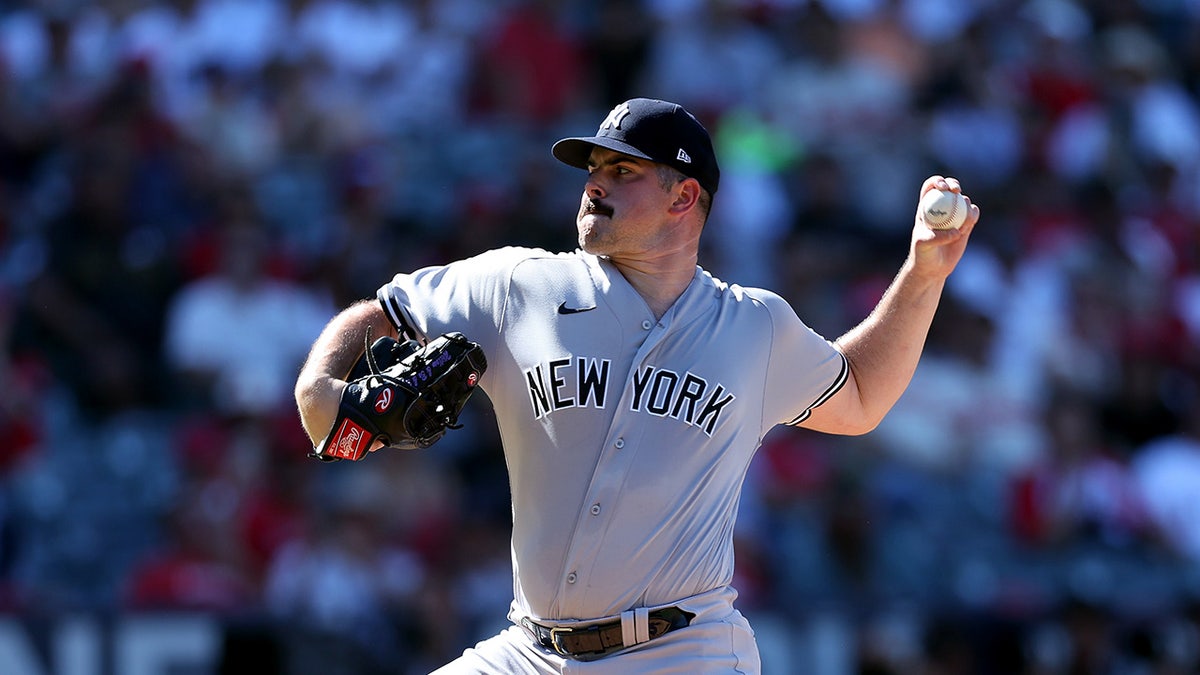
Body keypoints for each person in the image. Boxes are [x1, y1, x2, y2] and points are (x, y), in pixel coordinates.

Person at [293, 97, 979, 673]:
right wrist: (322, 383)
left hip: (682, 650)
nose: (595, 184)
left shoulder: (752, 326)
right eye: (593, 168)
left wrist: (924, 274)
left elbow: (859, 394)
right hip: (531, 651)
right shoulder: (520, 286)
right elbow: (382, 311)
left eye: (623, 170)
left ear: (685, 196)